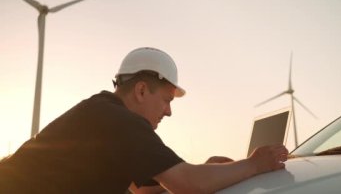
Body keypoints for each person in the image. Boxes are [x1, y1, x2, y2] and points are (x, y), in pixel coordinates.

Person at [0, 47, 288, 194]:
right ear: (140, 90)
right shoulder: (119, 120)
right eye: (166, 100)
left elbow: (145, 189)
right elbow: (187, 185)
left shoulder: (101, 113)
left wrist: (208, 169)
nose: (168, 112)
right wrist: (255, 163)